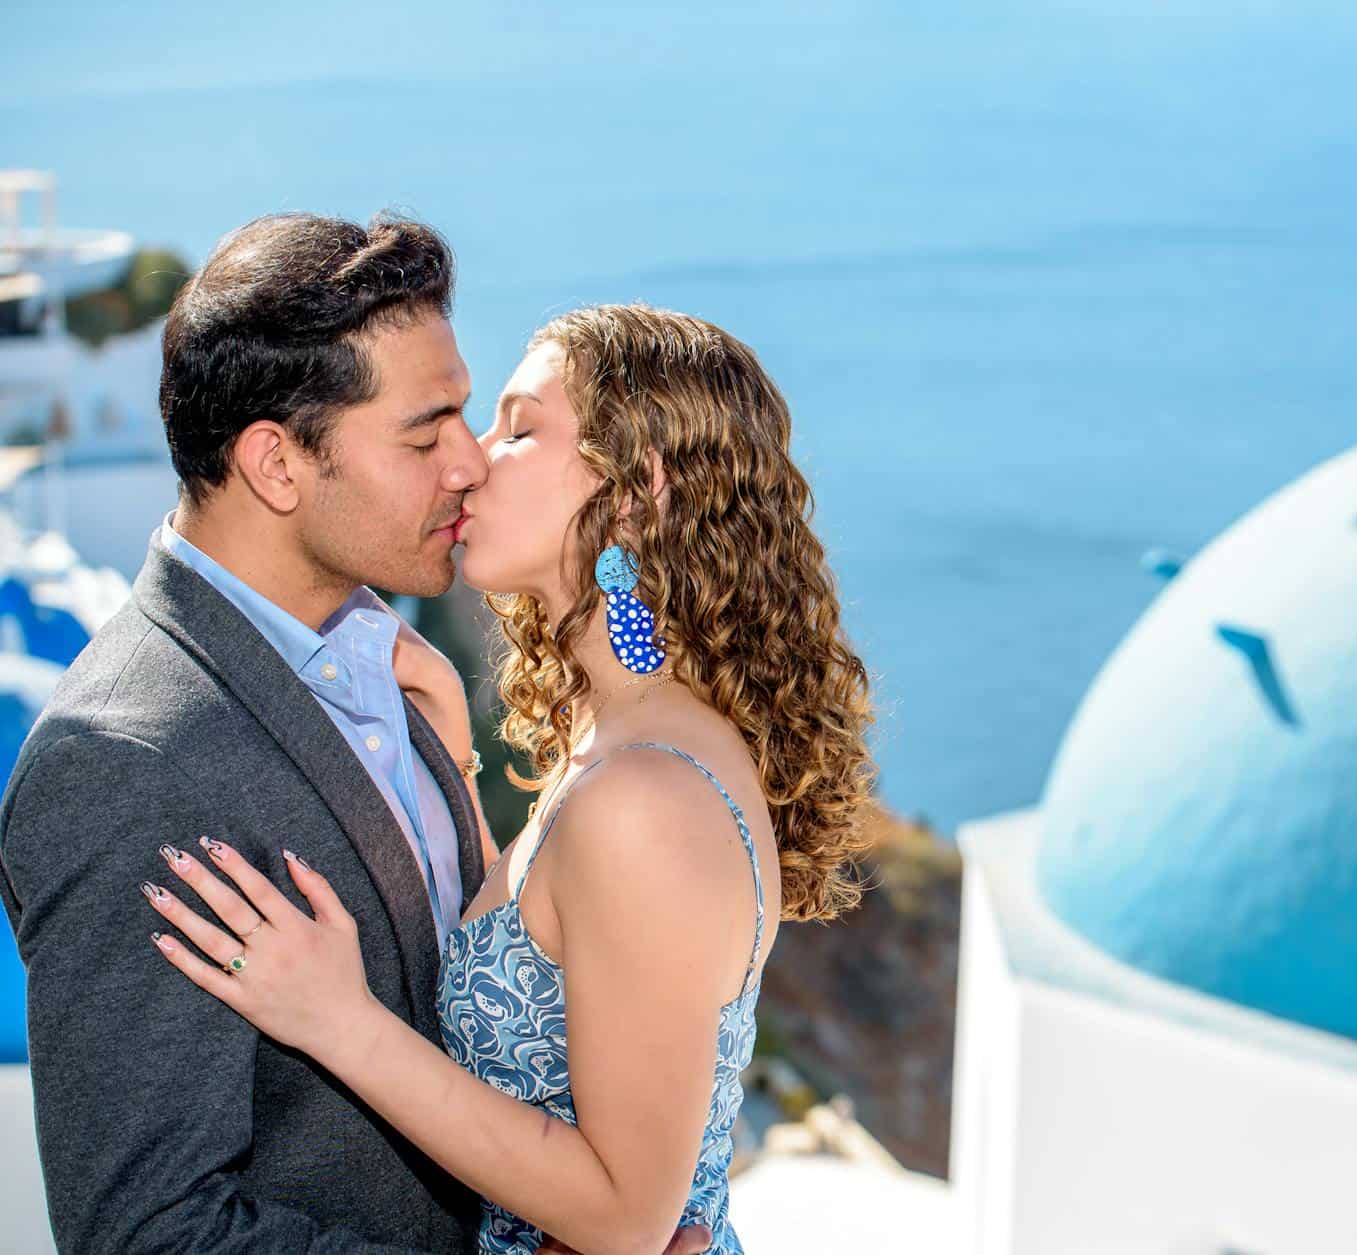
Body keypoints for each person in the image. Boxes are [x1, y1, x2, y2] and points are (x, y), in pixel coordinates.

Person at [0, 213, 714, 1253]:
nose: (469, 465)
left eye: (467, 419)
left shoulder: (390, 664)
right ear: (277, 466)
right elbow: (148, 1232)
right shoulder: (121, 762)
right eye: (426, 434)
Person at [137, 302, 877, 1253]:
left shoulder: (644, 798)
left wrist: (338, 1021)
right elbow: (553, 956)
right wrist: (452, 759)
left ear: (635, 492)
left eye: (521, 430)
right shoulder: (626, 736)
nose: (474, 460)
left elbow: (624, 1217)